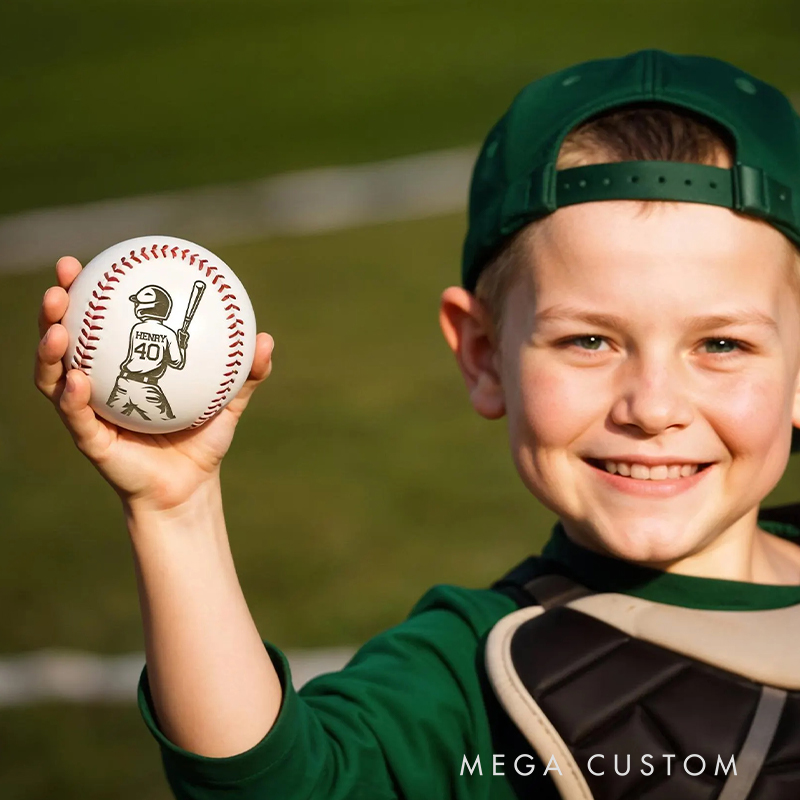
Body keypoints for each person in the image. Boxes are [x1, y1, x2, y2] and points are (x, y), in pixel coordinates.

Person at [34, 49, 800, 800]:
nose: (653, 407)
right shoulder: (471, 676)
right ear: (483, 355)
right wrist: (176, 512)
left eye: (722, 345)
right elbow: (280, 785)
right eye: (589, 341)